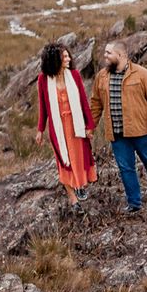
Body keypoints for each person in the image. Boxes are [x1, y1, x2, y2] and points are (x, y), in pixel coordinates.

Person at [88, 38, 147, 214]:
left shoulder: (141, 73)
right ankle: (134, 203)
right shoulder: (102, 76)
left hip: (141, 131)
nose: (105, 56)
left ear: (121, 55)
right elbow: (96, 104)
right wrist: (90, 127)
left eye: (109, 53)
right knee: (125, 168)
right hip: (117, 134)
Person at [35, 42, 96, 204]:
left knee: (78, 157)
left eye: (68, 55)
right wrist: (40, 130)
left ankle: (79, 184)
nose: (69, 59)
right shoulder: (43, 80)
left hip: (76, 124)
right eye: (64, 57)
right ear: (55, 60)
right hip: (58, 127)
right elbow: (44, 108)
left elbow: (83, 102)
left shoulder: (74, 75)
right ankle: (72, 197)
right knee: (64, 158)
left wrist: (90, 126)